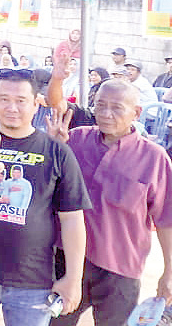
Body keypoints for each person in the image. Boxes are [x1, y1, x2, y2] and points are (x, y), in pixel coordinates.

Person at [0, 69, 91, 326]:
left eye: (21, 100)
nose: (11, 107)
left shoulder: (57, 152)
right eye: (4, 99)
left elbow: (72, 219)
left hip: (33, 280)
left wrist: (73, 277)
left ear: (36, 103)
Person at [48, 79, 172, 325]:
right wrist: (54, 148)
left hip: (121, 268)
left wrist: (169, 272)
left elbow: (166, 220)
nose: (106, 114)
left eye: (116, 108)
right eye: (100, 105)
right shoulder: (74, 140)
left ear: (136, 112)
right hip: (69, 260)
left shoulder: (154, 158)